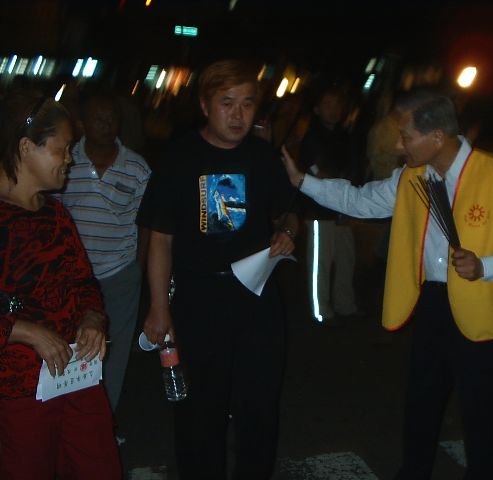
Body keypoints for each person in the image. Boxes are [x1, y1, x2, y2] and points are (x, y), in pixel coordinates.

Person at [281, 89, 493, 480]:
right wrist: (303, 181)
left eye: (405, 135)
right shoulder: (412, 178)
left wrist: (487, 266)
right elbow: (360, 200)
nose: (397, 145)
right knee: (422, 405)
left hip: (488, 314)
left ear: (437, 137)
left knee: (485, 418)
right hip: (433, 304)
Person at [136, 59, 299, 479]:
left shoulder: (262, 156)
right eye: (227, 103)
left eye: (247, 103)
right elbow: (160, 239)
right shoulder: (180, 158)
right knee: (199, 411)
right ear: (205, 105)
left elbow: (288, 213)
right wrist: (159, 307)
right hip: (199, 298)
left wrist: (286, 232)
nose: (238, 114)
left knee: (259, 406)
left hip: (257, 298)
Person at [0, 91, 121, 478]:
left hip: (76, 375)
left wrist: (92, 318)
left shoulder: (56, 215)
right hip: (19, 388)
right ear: (26, 148)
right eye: (62, 149)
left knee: (99, 467)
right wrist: (26, 332)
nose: (70, 159)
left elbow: (85, 282)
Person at [58, 90, 151, 414]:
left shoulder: (137, 167)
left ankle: (105, 418)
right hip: (72, 275)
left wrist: (138, 269)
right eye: (98, 118)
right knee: (72, 348)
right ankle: (73, 418)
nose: (106, 124)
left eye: (111, 118)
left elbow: (145, 225)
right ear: (82, 123)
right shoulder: (66, 160)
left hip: (118, 273)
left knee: (114, 350)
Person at [298, 87, 361, 324]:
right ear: (317, 109)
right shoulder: (311, 138)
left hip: (344, 206)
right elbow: (316, 172)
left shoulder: (345, 135)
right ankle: (321, 311)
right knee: (320, 263)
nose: (334, 110)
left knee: (346, 259)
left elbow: (354, 167)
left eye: (337, 104)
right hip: (319, 210)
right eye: (328, 104)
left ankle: (345, 305)